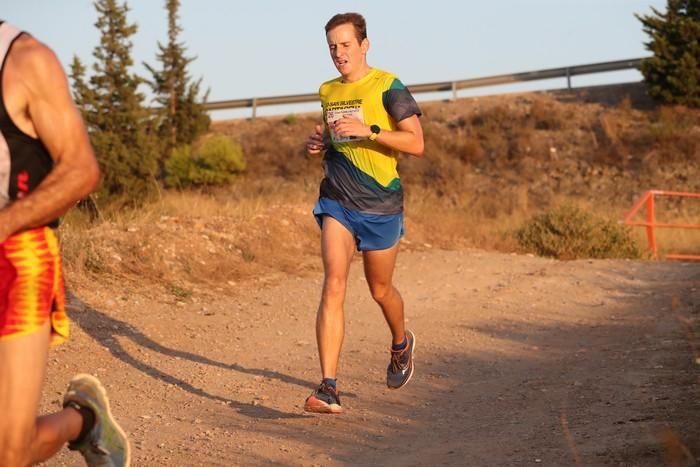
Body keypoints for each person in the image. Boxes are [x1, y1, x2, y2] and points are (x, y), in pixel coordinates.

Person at [0, 21, 130, 466]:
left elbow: (80, 169)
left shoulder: (25, 60)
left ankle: (84, 420)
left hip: (17, 259)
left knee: (8, 451)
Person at [304, 12, 424, 414]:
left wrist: (369, 130)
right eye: (333, 47)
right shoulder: (327, 90)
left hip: (381, 205)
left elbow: (416, 143)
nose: (339, 54)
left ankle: (400, 343)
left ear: (364, 45)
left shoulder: (389, 85)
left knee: (379, 290)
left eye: (346, 45)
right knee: (334, 283)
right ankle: (328, 387)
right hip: (338, 199)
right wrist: (319, 144)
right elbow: (333, 136)